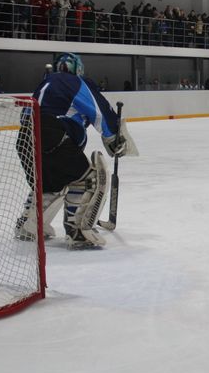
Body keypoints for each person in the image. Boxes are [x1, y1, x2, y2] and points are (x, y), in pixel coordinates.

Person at [15, 52, 134, 249]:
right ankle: (78, 231)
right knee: (86, 179)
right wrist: (114, 137)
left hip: (25, 141)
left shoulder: (45, 84)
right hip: (52, 135)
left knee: (50, 183)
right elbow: (100, 111)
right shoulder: (75, 82)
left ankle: (29, 226)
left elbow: (28, 118)